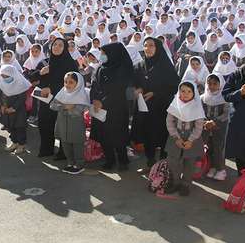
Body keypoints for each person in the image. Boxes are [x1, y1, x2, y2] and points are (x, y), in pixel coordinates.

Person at [135, 37, 179, 169]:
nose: (148, 48)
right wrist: (138, 89)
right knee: (147, 134)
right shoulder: (140, 65)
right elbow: (133, 82)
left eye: (151, 45)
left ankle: (163, 165)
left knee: (163, 134)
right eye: (145, 45)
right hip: (145, 107)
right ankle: (150, 161)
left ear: (158, 47)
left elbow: (174, 85)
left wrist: (155, 92)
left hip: (162, 107)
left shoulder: (165, 65)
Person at [90, 42, 135, 171]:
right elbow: (94, 86)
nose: (102, 56)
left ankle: (123, 160)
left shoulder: (123, 70)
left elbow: (119, 91)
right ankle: (109, 159)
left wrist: (103, 102)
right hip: (100, 108)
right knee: (103, 135)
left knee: (118, 136)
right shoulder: (100, 68)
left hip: (117, 108)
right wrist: (95, 99)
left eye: (104, 53)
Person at [35, 38, 78, 159]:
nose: (56, 47)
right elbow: (32, 79)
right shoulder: (46, 62)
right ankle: (46, 149)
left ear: (65, 48)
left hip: (63, 101)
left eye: (60, 45)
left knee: (62, 127)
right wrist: (41, 73)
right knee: (44, 124)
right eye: (54, 45)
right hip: (46, 100)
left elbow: (73, 84)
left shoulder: (70, 63)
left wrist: (52, 89)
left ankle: (64, 153)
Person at [164, 81, 205, 196]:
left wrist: (191, 140)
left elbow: (198, 126)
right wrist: (176, 137)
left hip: (192, 140)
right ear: (179, 92)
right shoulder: (174, 104)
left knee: (189, 163)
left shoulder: (197, 107)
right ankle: (175, 182)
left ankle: (186, 184)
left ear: (194, 93)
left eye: (189, 91)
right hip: (175, 137)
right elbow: (169, 122)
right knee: (173, 161)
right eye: (182, 91)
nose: (185, 94)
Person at [51, 72, 90, 174]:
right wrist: (66, 107)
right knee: (65, 143)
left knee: (77, 144)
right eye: (65, 82)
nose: (67, 85)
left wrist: (65, 107)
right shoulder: (62, 92)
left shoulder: (82, 95)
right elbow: (53, 105)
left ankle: (79, 164)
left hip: (75, 124)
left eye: (71, 82)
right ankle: (70, 162)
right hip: (62, 123)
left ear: (78, 84)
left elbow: (79, 111)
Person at [201, 74, 230, 181]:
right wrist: (205, 122)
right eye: (209, 83)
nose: (212, 86)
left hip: (219, 127)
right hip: (206, 127)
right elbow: (199, 112)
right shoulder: (203, 98)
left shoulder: (225, 98)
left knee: (219, 147)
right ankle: (212, 167)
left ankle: (221, 169)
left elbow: (226, 114)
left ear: (220, 84)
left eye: (215, 84)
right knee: (208, 146)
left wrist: (214, 121)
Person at [0, 64, 31, 154]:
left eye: (7, 76)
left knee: (19, 128)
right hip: (6, 110)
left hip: (18, 111)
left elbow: (22, 98)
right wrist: (1, 105)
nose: (4, 78)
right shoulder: (1, 83)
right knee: (11, 127)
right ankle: (14, 142)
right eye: (2, 76)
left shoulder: (20, 84)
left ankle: (21, 145)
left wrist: (13, 108)